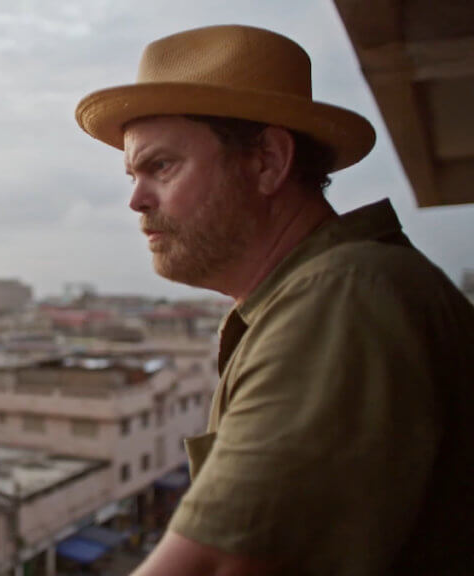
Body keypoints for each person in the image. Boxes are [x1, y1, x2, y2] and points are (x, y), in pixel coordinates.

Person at [74, 24, 474, 575]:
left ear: (267, 161)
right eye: (133, 174)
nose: (137, 200)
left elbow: (215, 564)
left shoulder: (341, 295)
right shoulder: (325, 292)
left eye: (160, 166)